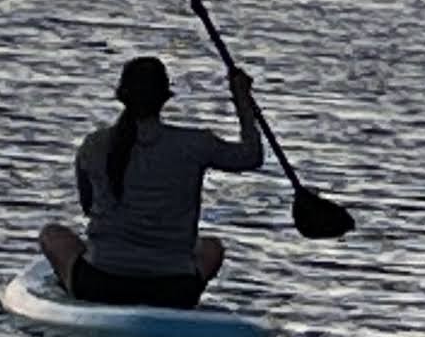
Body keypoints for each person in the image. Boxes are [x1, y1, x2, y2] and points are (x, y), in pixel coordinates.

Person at [43, 53, 263, 305]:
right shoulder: (196, 144)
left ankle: (71, 287)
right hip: (174, 289)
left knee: (51, 234)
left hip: (101, 283)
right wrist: (242, 100)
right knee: (211, 247)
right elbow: (251, 156)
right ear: (164, 98)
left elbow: (88, 207)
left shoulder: (93, 145)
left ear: (122, 96)